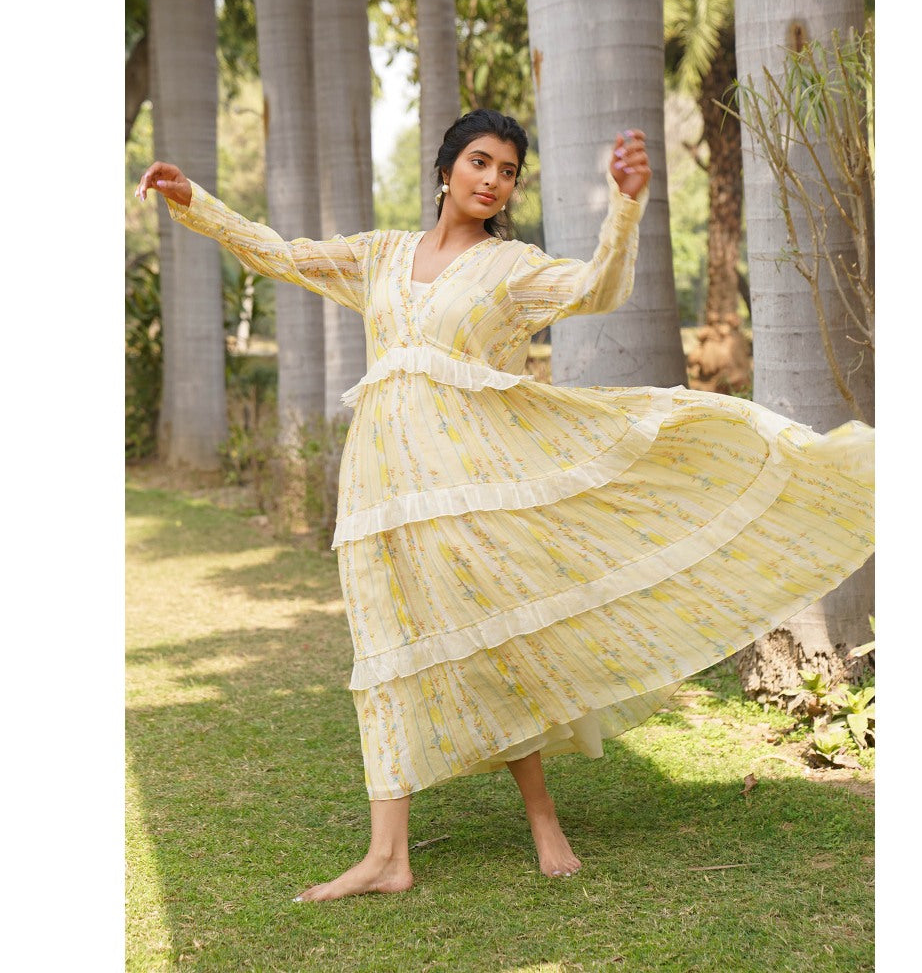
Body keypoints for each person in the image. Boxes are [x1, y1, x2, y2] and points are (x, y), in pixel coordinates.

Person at [136, 109, 874, 902]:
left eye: (509, 171)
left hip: (469, 486)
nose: (493, 180)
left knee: (494, 640)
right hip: (380, 487)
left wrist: (625, 206)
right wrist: (195, 201)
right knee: (383, 652)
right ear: (446, 169)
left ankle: (543, 817)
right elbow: (281, 254)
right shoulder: (380, 255)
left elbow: (597, 288)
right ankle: (387, 857)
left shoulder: (511, 267)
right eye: (480, 162)